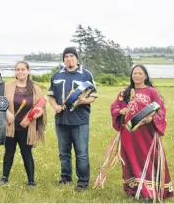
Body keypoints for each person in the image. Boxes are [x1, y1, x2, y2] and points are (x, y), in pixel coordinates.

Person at [108, 65, 173, 201]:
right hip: (128, 134)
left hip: (146, 134)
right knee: (130, 160)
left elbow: (161, 111)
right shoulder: (125, 92)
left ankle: (149, 192)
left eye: (140, 73)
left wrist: (151, 118)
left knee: (146, 160)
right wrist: (121, 111)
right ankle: (133, 189)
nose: (137, 76)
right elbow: (114, 107)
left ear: (145, 76)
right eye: (134, 73)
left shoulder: (152, 92)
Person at [47, 47, 98, 192]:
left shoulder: (86, 75)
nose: (69, 59)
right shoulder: (56, 76)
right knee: (64, 152)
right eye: (66, 56)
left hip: (80, 121)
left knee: (81, 152)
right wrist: (55, 106)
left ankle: (82, 181)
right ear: (63, 59)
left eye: (72, 56)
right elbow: (50, 95)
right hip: (61, 120)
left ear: (76, 58)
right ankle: (65, 177)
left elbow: (93, 96)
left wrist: (82, 101)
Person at [0, 61, 47, 187]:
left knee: (27, 153)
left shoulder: (35, 88)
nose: (20, 72)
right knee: (9, 152)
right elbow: (0, 103)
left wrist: (38, 113)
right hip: (10, 126)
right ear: (15, 72)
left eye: (23, 69)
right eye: (17, 69)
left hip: (26, 126)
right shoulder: (7, 86)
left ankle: (31, 180)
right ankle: (4, 177)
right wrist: (6, 112)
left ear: (28, 71)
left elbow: (41, 106)